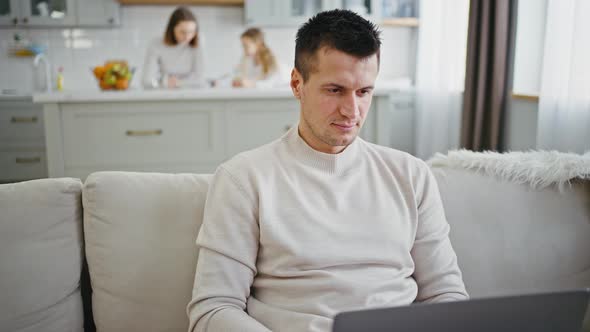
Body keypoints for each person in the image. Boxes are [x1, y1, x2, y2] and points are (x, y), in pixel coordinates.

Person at [187, 9, 468, 332]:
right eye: (335, 90)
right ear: (297, 83)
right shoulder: (244, 178)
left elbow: (445, 294)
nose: (352, 111)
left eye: (364, 92)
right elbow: (213, 308)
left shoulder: (411, 175)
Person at [141, 6, 205, 89]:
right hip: (163, 95)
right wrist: (165, 82)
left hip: (191, 94)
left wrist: (177, 82)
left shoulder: (198, 42)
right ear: (172, 29)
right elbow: (146, 80)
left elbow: (200, 79)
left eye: (191, 32)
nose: (187, 37)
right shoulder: (156, 44)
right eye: (182, 32)